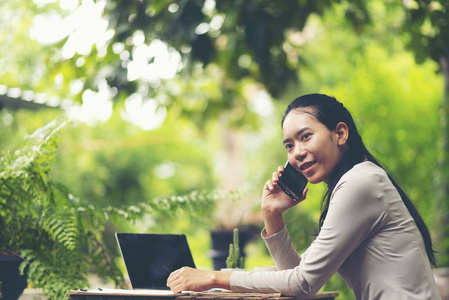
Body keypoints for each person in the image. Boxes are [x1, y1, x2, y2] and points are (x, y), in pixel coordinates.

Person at [167, 93, 442, 300]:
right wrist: (272, 215)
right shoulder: (352, 184)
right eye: (289, 145)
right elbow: (302, 277)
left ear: (340, 133)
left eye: (306, 136)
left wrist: (214, 277)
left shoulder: (361, 182)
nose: (297, 152)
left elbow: (302, 282)